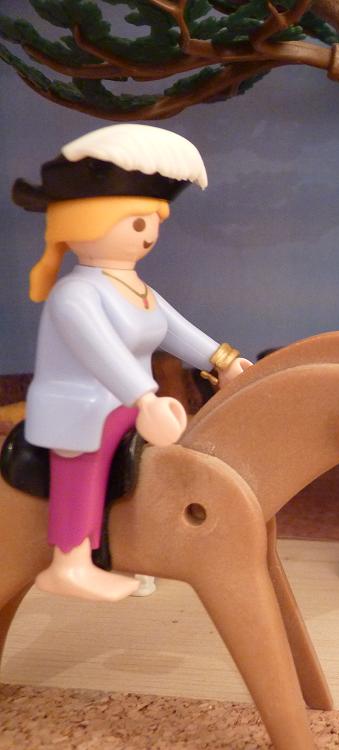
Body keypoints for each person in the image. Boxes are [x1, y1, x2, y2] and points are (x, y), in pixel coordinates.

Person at [12, 124, 251, 601]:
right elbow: (101, 352)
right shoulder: (75, 294)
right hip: (81, 409)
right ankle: (69, 562)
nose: (148, 235)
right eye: (137, 223)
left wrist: (223, 360)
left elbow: (176, 329)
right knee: (87, 464)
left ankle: (133, 551)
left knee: (154, 470)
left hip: (131, 405)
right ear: (88, 224)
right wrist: (144, 399)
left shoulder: (137, 288)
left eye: (153, 222)